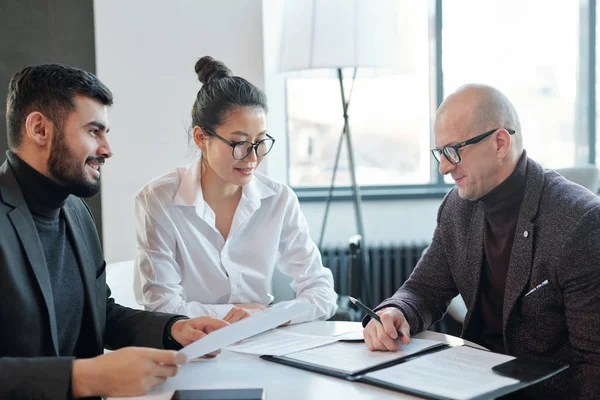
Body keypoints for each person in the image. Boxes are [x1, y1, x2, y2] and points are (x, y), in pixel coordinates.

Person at [0, 64, 230, 399]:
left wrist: (174, 329)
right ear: (39, 129)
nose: (107, 149)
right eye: (94, 131)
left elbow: (100, 314)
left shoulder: (76, 212)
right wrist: (82, 378)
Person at [363, 84, 600, 398]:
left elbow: (593, 364)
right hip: (470, 383)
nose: (444, 167)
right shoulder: (456, 208)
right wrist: (395, 312)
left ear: (500, 142)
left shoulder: (579, 221)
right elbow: (424, 289)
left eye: (453, 151)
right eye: (440, 153)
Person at [133, 56, 337, 324]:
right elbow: (163, 308)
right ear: (200, 138)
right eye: (239, 143)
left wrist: (267, 316)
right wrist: (248, 314)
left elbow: (322, 294)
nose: (252, 157)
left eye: (261, 142)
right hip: (194, 348)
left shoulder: (279, 200)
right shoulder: (159, 201)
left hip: (265, 342)